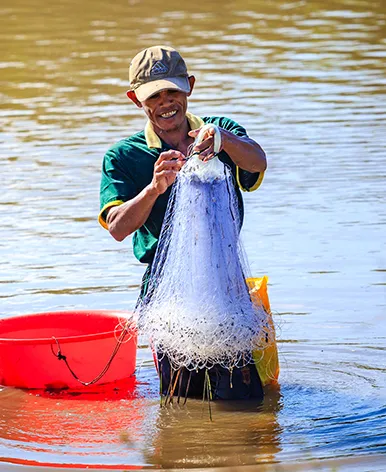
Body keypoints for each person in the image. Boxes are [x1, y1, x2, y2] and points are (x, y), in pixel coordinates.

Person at [99, 45, 268, 401]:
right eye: (154, 95)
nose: (166, 102)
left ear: (189, 86)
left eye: (173, 90)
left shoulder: (221, 131)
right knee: (180, 401)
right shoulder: (123, 156)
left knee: (247, 401)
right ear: (136, 100)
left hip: (226, 286)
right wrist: (153, 189)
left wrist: (223, 142)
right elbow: (116, 227)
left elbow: (257, 162)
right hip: (168, 296)